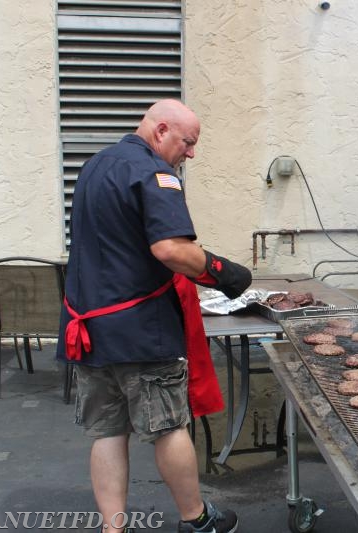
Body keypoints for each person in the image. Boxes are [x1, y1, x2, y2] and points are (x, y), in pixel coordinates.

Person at [57, 99, 251, 533]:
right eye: (188, 142)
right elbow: (171, 249)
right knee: (169, 427)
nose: (192, 153)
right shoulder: (156, 173)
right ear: (161, 131)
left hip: (89, 328)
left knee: (108, 432)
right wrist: (225, 272)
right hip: (140, 331)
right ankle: (196, 520)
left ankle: (114, 528)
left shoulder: (94, 166)